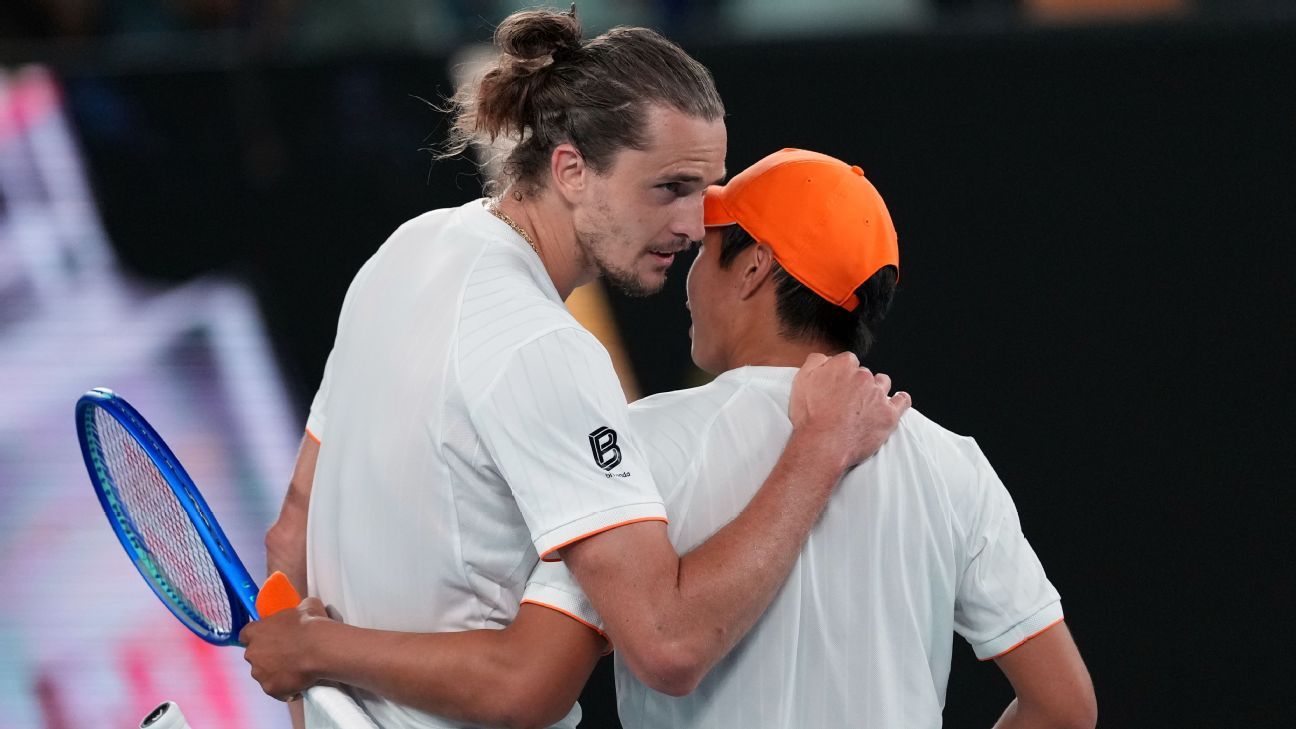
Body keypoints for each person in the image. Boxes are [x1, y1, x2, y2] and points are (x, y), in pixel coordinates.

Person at [245, 148, 1097, 729]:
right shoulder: (954, 465)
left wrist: (317, 648)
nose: (688, 264)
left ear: (754, 267)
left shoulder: (640, 447)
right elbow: (1064, 706)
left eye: (711, 245)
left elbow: (522, 679)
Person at [241, 7, 910, 729]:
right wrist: (820, 448)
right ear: (571, 170)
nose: (694, 226)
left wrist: (312, 659)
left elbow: (293, 533)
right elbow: (662, 644)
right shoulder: (545, 349)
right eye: (670, 188)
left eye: (705, 192)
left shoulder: (407, 249)